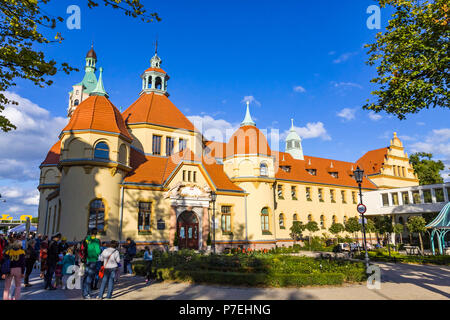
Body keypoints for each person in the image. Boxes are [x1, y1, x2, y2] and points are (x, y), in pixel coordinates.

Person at [82, 228, 101, 299]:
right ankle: (87, 294)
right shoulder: (95, 240)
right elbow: (98, 251)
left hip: (86, 259)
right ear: (96, 233)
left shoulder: (87, 239)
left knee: (86, 276)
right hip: (93, 260)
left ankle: (85, 292)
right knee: (90, 277)